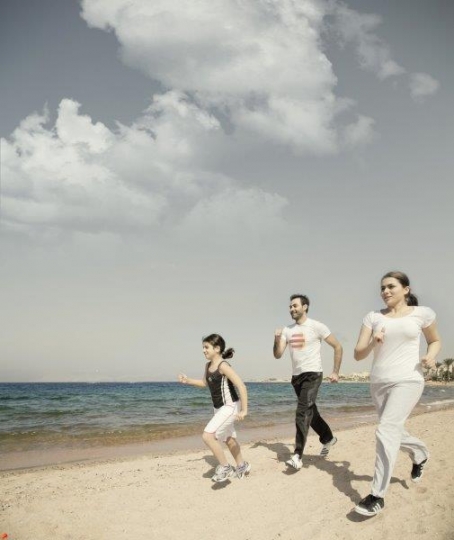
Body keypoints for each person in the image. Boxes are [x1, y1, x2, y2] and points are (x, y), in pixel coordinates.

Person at [353, 271, 441, 517]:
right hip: (379, 382)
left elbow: (435, 341)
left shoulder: (422, 314)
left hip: (408, 379)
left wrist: (430, 356)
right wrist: (374, 342)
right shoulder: (373, 317)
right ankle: (420, 453)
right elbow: (358, 354)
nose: (385, 291)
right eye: (382, 288)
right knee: (392, 431)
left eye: (391, 286)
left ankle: (377, 495)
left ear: (406, 289)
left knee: (386, 430)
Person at [273, 294, 342, 470]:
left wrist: (335, 371)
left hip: (313, 374)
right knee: (310, 413)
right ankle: (328, 438)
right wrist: (276, 339)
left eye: (295, 306)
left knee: (302, 412)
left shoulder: (317, 326)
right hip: (297, 377)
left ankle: (297, 455)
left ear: (305, 307)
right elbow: (278, 354)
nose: (292, 309)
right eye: (290, 307)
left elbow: (338, 346)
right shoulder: (287, 330)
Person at [178, 333, 251, 483]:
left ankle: (225, 467)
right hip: (218, 408)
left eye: (206, 347)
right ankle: (242, 466)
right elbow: (205, 383)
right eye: (203, 347)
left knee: (208, 436)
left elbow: (241, 386)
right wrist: (188, 381)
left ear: (217, 348)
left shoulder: (223, 366)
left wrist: (244, 410)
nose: (203, 350)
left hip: (230, 406)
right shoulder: (207, 366)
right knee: (229, 439)